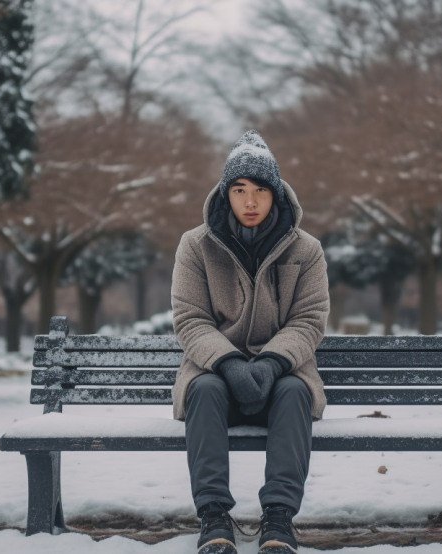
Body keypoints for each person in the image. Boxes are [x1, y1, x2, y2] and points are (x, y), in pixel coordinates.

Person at [171, 130, 330, 554]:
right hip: (215, 374)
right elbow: (190, 319)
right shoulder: (195, 246)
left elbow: (309, 320)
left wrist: (272, 362)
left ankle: (278, 519)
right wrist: (228, 364)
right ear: (226, 195)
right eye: (240, 190)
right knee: (201, 389)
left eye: (260, 190)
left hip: (281, 375)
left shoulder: (306, 249)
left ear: (276, 194)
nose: (251, 201)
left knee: (297, 391)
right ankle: (213, 518)